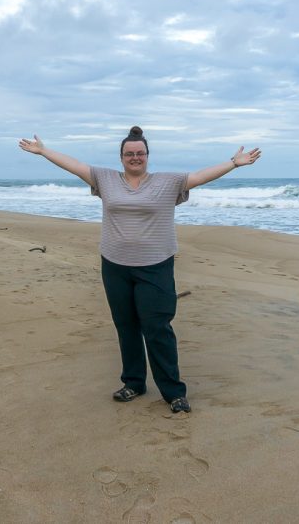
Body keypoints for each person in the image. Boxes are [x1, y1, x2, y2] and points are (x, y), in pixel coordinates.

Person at [19, 125, 261, 413]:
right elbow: (75, 166)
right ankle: (134, 382)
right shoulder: (105, 179)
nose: (135, 157)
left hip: (155, 266)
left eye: (140, 153)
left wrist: (233, 163)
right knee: (126, 326)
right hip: (114, 265)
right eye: (129, 153)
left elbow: (199, 177)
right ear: (121, 157)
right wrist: (44, 151)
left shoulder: (167, 182)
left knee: (157, 327)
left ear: (147, 155)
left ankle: (173, 392)